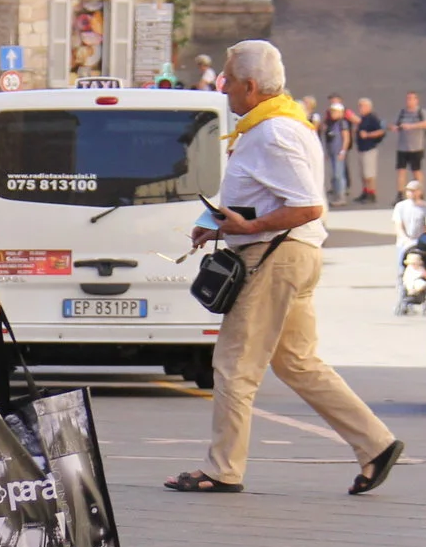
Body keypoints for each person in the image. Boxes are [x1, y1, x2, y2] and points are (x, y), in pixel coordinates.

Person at [165, 39, 402, 497]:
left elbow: (307, 205)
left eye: (227, 79)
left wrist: (248, 227)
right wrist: (223, 225)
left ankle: (223, 468)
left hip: (275, 257)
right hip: (291, 253)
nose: (223, 87)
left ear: (250, 86)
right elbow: (276, 198)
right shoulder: (277, 125)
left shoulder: (273, 132)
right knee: (297, 362)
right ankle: (376, 444)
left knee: (235, 365)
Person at [392, 179, 426, 302]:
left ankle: (423, 292)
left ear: (420, 192)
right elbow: (398, 225)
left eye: (414, 191)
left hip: (420, 244)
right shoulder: (400, 206)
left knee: (423, 266)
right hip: (404, 244)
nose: (411, 193)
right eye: (409, 191)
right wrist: (404, 238)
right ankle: (403, 293)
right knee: (402, 269)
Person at [352, 96, 386, 203]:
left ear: (368, 107)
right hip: (361, 149)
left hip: (369, 149)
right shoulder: (362, 119)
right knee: (363, 173)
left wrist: (368, 135)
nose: (360, 108)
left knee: (369, 173)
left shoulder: (372, 118)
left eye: (362, 106)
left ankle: (372, 193)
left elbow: (381, 131)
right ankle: (365, 191)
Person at [320, 97, 355, 205]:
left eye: (334, 112)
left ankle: (341, 197)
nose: (332, 114)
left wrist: (343, 151)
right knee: (334, 175)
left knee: (339, 175)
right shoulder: (330, 123)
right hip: (332, 152)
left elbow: (346, 138)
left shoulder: (342, 123)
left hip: (338, 152)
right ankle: (336, 195)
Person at [394, 92, 426, 188]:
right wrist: (395, 128)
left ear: (416, 100)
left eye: (411, 99)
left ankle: (420, 192)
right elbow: (396, 125)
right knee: (401, 171)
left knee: (416, 171)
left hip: (416, 147)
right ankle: (400, 194)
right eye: (407, 99)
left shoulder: (421, 112)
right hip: (402, 147)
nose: (409, 101)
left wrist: (411, 126)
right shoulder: (402, 112)